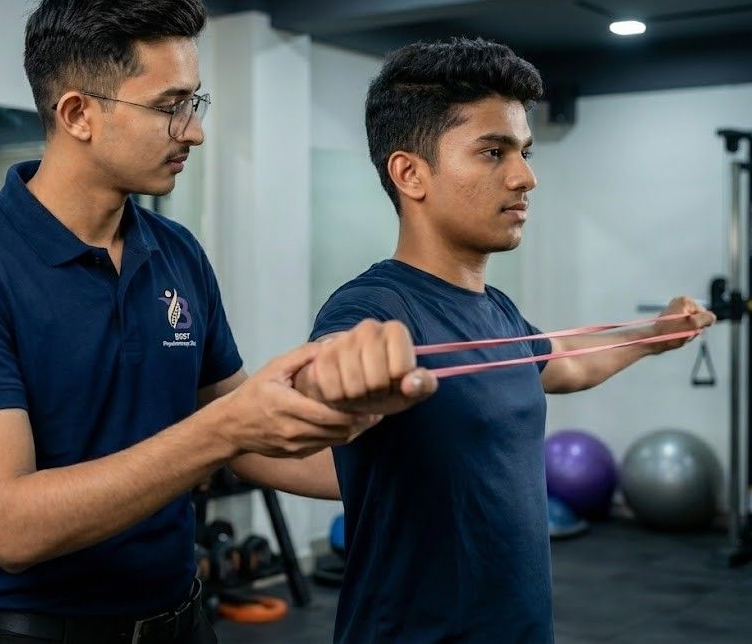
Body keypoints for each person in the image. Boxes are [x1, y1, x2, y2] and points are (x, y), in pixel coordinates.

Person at [0, 0, 436, 644]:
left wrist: (400, 464)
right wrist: (226, 428)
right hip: (31, 632)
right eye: (169, 106)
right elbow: (11, 525)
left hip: (182, 621)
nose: (194, 132)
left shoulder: (175, 250)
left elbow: (250, 443)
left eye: (195, 103)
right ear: (77, 114)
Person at [305, 38, 717, 643]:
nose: (526, 177)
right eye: (493, 152)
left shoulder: (495, 310)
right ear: (410, 173)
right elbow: (329, 378)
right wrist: (339, 377)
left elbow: (566, 368)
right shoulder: (373, 308)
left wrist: (652, 337)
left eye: (523, 151)